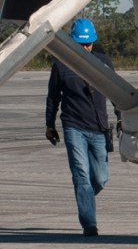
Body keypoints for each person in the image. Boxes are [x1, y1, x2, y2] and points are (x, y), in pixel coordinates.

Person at [45, 18, 116, 236]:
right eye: (82, 44)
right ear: (73, 43)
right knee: (81, 175)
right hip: (73, 126)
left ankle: (84, 198)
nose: (86, 48)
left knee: (100, 178)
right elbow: (53, 97)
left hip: (99, 127)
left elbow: (117, 91)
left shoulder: (103, 61)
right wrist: (49, 124)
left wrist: (122, 117)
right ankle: (89, 224)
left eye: (89, 44)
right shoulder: (60, 64)